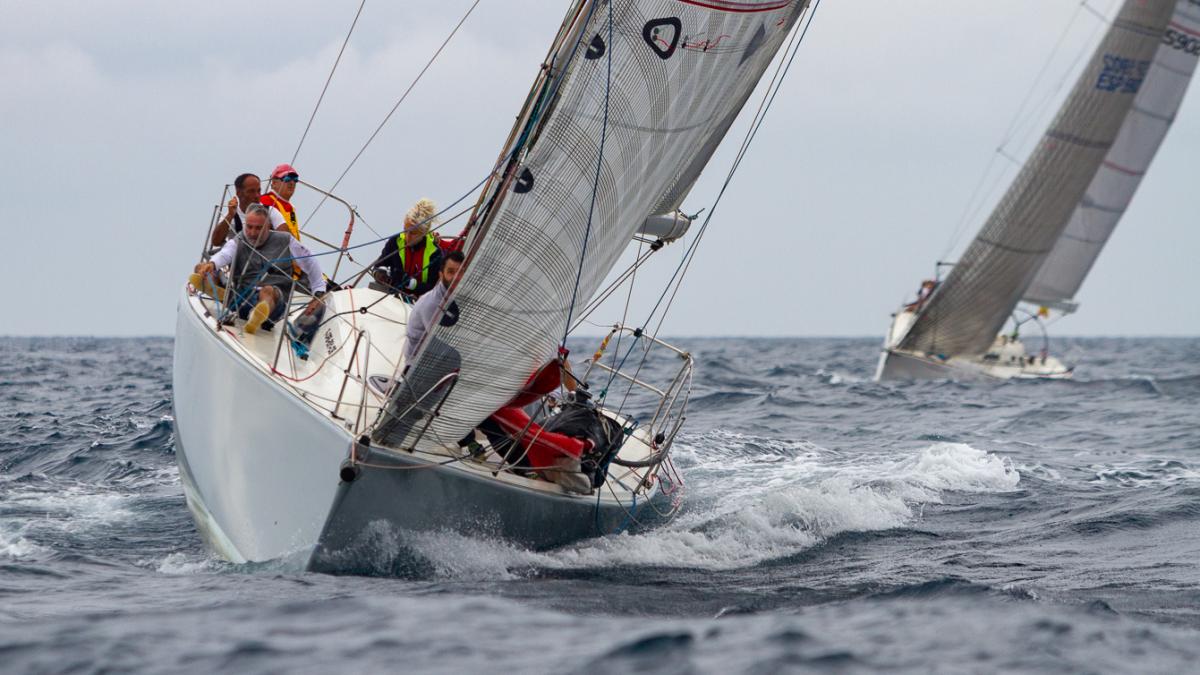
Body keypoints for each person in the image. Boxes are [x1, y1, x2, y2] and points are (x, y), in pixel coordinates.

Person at [192, 204, 326, 335]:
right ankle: (220, 292)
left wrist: (318, 293)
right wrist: (212, 264)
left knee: (267, 290)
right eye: (249, 227)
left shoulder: (285, 240)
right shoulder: (240, 239)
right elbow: (225, 253)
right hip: (242, 298)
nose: (252, 233)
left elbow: (310, 261)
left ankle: (256, 316)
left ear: (268, 227)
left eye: (258, 228)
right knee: (201, 268)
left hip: (274, 303)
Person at [372, 198, 446, 298]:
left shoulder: (435, 253)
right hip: (391, 297)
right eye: (405, 230)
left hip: (416, 304)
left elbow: (433, 289)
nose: (407, 236)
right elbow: (378, 265)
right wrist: (379, 273)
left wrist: (410, 283)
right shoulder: (395, 242)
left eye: (413, 233)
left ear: (424, 233)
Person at [403, 249, 463, 363]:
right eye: (451, 272)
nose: (456, 277)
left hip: (435, 354)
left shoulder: (451, 293)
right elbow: (441, 340)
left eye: (460, 272)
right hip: (417, 364)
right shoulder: (431, 303)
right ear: (441, 275)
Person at [211, 173, 261, 247]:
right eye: (251, 191)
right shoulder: (231, 216)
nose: (257, 195)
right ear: (238, 193)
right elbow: (216, 241)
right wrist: (230, 215)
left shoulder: (270, 211)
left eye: (259, 191)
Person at [261, 164, 301, 239]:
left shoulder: (291, 207)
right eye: (287, 179)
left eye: (295, 179)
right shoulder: (266, 200)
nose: (291, 183)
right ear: (274, 183)